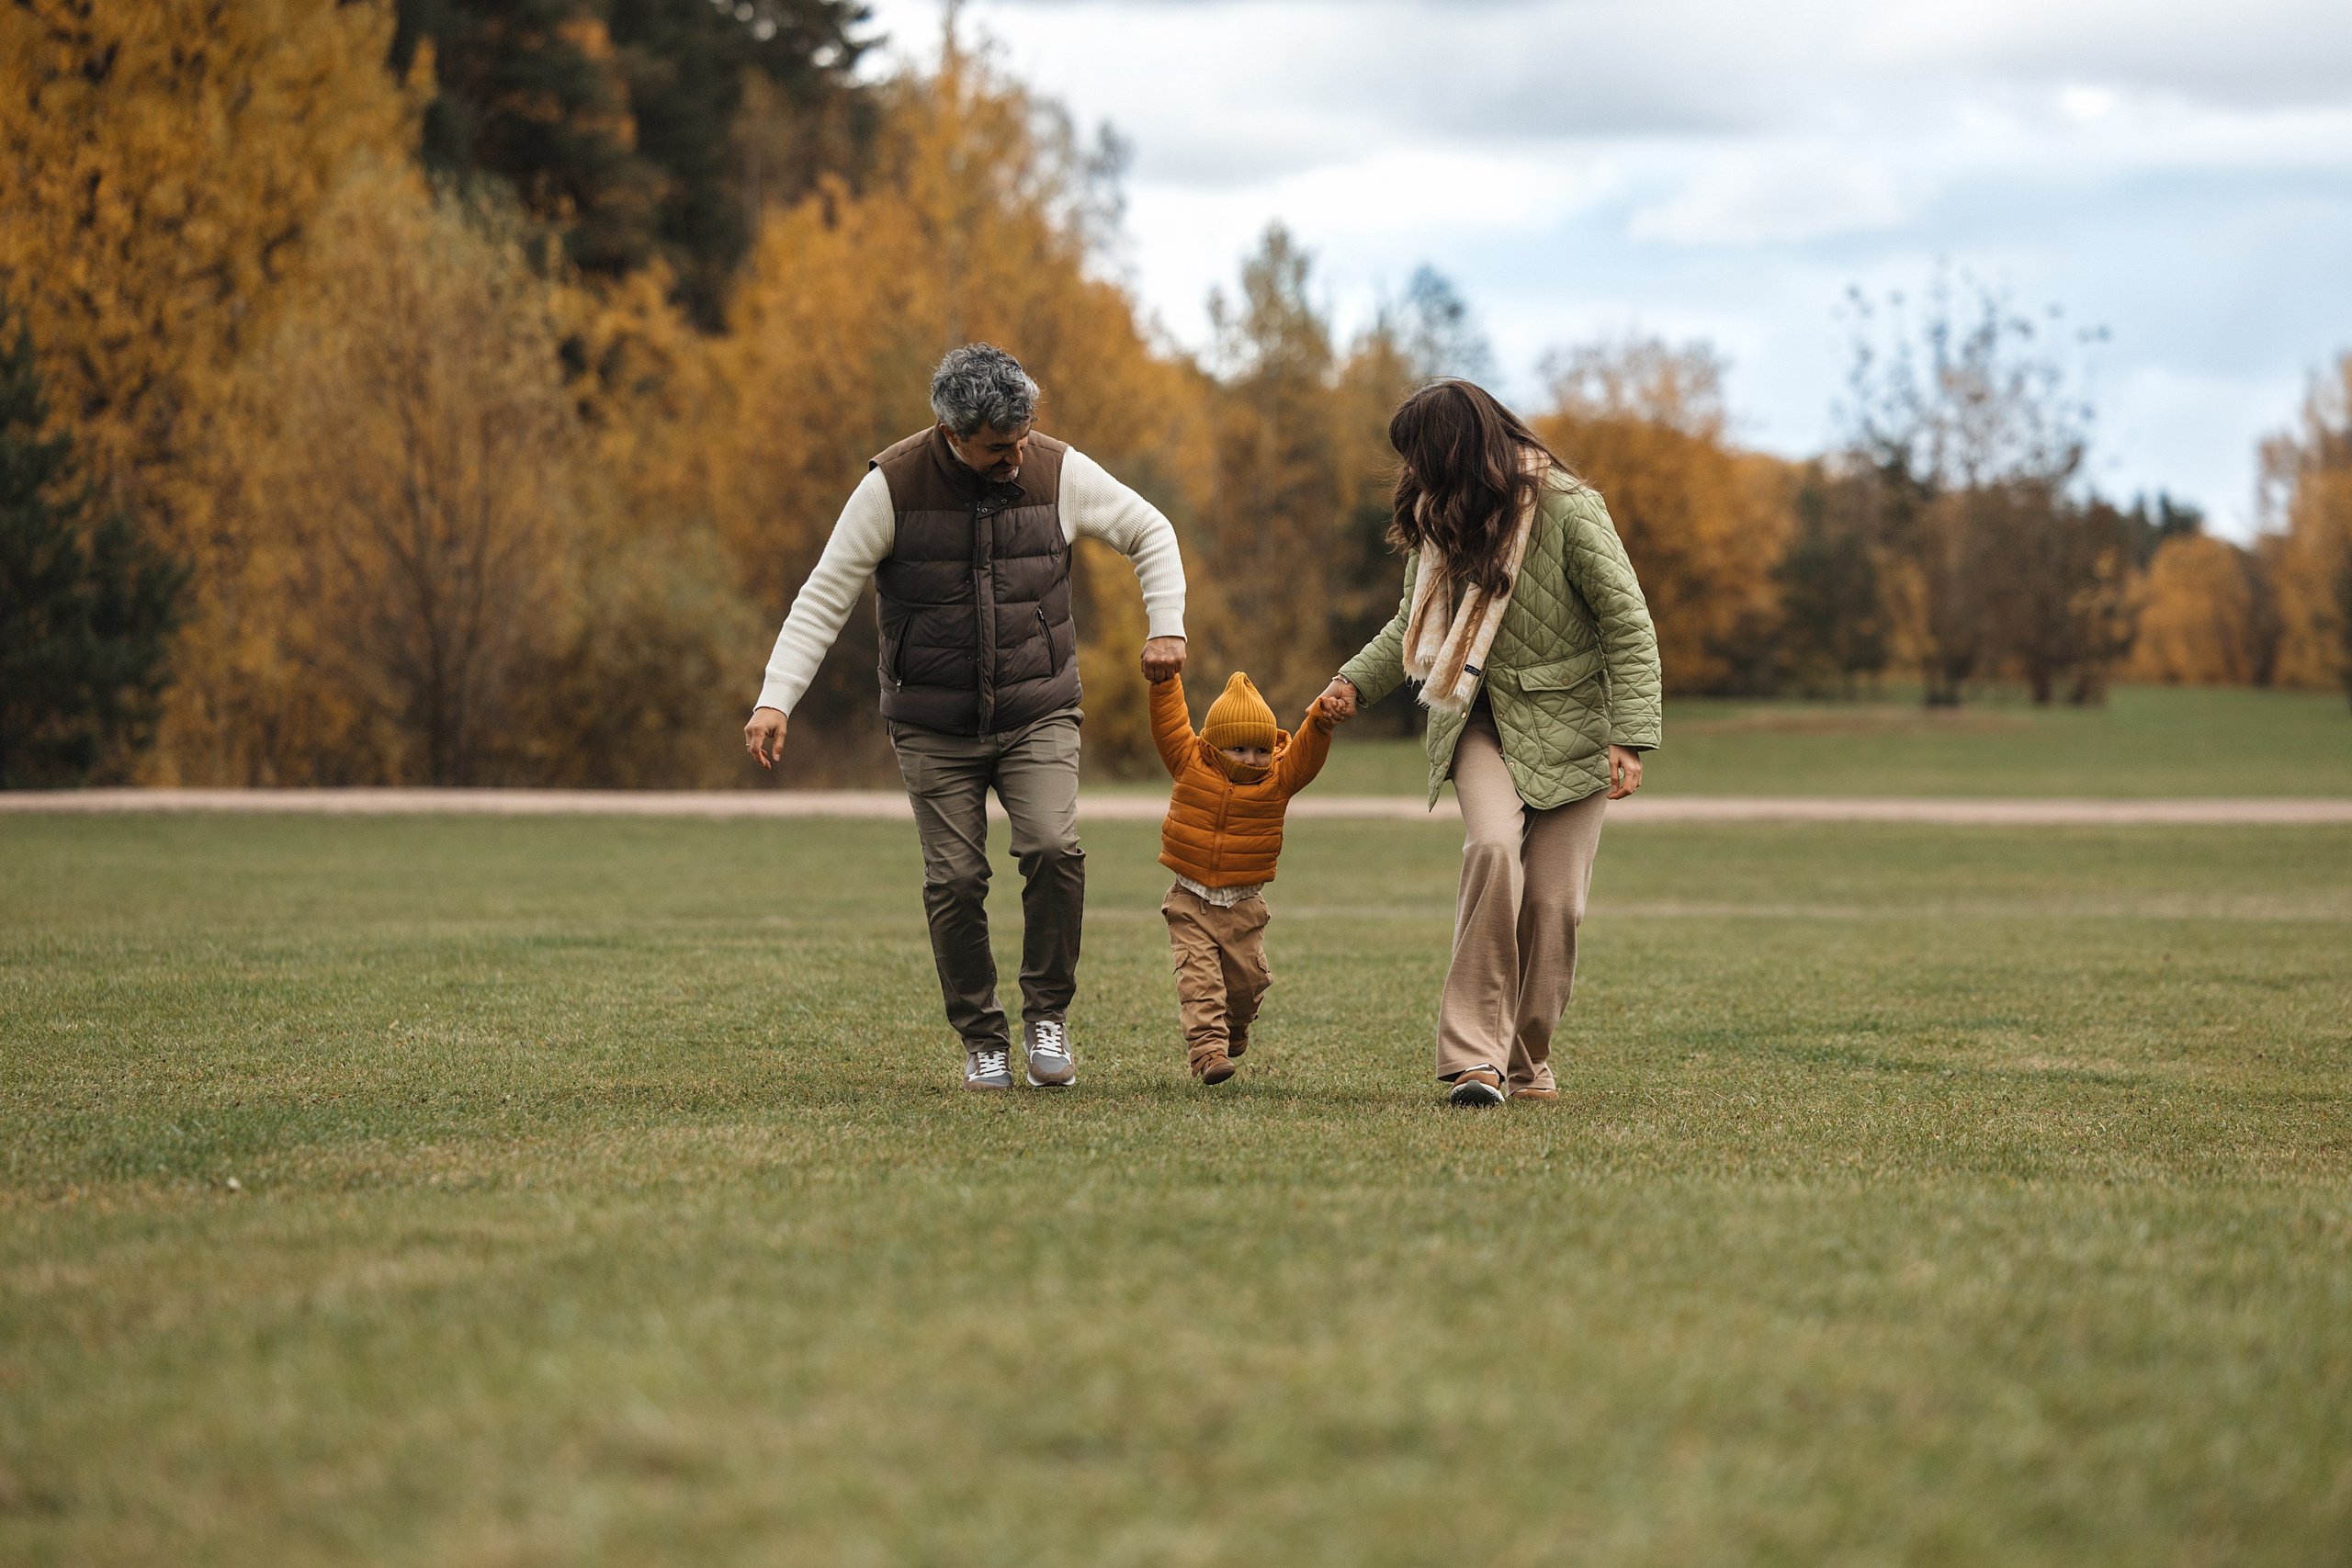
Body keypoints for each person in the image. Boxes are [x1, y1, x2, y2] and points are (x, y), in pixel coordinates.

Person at [743, 344, 1188, 1091]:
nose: (1016, 456)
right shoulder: (890, 487)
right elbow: (826, 593)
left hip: (1037, 705)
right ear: (951, 433)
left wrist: (1166, 623)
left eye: (1022, 439)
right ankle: (982, 1037)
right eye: (998, 447)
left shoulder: (1055, 470)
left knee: (1052, 846)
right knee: (954, 880)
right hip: (931, 720)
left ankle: (1048, 1016)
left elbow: (1152, 531)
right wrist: (775, 696)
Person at [1317, 380, 1662, 1107]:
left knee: (1554, 905)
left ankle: (1525, 1059)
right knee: (1493, 849)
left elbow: (1627, 623)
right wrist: (1352, 682)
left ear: (1459, 451)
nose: (1413, 472)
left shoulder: (1569, 508)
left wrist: (1631, 736)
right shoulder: (1435, 521)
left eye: (1421, 455)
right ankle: (1472, 1060)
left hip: (1574, 725)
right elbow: (1410, 624)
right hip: (1474, 720)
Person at [1147, 670, 1335, 1084]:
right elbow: (1170, 720)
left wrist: (1320, 721)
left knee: (1247, 985)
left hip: (1245, 905)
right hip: (1189, 900)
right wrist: (1164, 681)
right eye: (1239, 749)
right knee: (1200, 982)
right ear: (1214, 746)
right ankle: (1207, 1053)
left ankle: (1236, 1026)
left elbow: (1305, 752)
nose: (1252, 759)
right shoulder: (1189, 761)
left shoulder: (1278, 780)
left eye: (1260, 750)